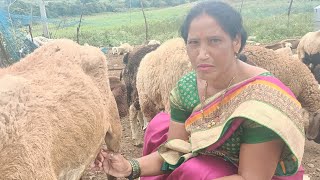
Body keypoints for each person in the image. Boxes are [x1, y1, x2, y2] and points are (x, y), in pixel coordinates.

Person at [92, 1, 305, 179]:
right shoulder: (188, 87)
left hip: (256, 173)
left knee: (195, 170)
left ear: (236, 41)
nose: (202, 54)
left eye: (214, 41)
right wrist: (130, 167)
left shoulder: (262, 100)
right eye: (194, 43)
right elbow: (174, 151)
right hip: (206, 164)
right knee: (160, 127)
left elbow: (250, 178)